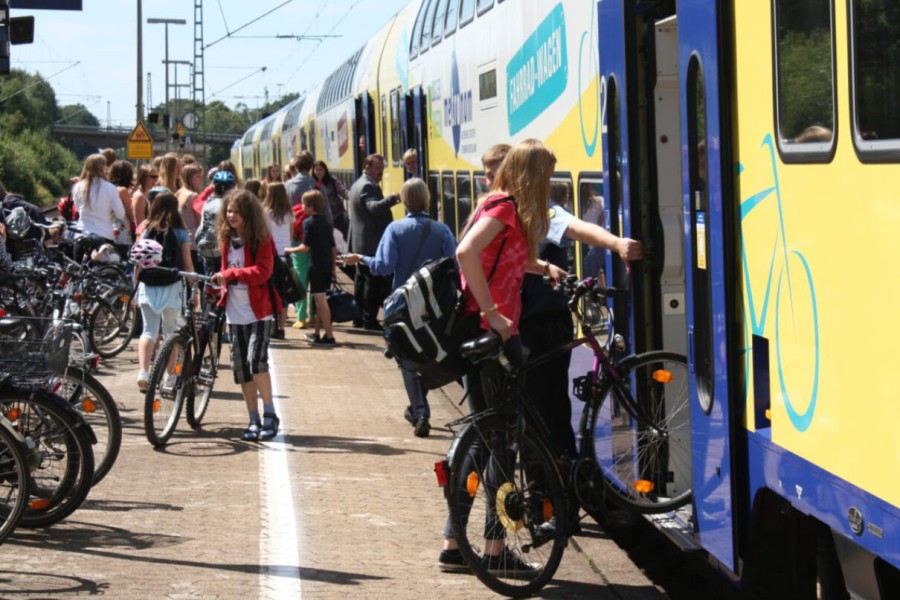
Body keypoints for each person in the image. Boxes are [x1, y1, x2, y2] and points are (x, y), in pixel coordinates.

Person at [438, 139, 567, 573]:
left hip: (491, 333)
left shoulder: (494, 203)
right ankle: (493, 554)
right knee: (501, 444)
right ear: (532, 174)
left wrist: (541, 267)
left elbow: (500, 259)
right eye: (546, 176)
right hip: (490, 335)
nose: (548, 185)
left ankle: (455, 545)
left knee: (484, 441)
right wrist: (492, 312)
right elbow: (466, 253)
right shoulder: (505, 207)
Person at [344, 178, 456, 437]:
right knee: (430, 353)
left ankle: (420, 412)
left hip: (404, 304)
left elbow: (383, 266)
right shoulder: (442, 230)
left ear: (404, 201)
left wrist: (360, 258)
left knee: (407, 357)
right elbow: (454, 266)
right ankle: (417, 407)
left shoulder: (395, 229)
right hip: (435, 303)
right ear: (427, 200)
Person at [209, 189, 281, 442]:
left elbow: (263, 272)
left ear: (248, 214)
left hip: (258, 311)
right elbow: (224, 271)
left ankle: (270, 413)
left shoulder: (262, 239)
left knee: (256, 361)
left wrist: (231, 275)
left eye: (237, 212)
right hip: (234, 313)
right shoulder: (227, 239)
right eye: (229, 211)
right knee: (241, 369)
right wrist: (219, 282)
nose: (231, 216)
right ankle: (253, 417)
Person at [131, 190, 194, 391]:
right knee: (170, 333)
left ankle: (143, 372)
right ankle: (170, 377)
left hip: (148, 286)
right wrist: (194, 287)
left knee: (148, 331)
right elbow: (187, 265)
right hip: (172, 286)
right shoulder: (181, 232)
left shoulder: (145, 229)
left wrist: (135, 287)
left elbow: (138, 262)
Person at [347, 153, 400, 330]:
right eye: (378, 169)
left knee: (361, 282)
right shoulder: (367, 186)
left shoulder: (358, 184)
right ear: (367, 167)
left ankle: (358, 317)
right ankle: (369, 319)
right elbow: (374, 208)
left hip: (361, 242)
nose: (380, 172)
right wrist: (394, 198)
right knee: (372, 283)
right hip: (370, 242)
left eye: (382, 169)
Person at [285, 190, 336, 347]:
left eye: (304, 204)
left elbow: (305, 247)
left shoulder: (309, 223)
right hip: (326, 265)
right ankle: (316, 333)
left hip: (316, 266)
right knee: (319, 300)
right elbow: (333, 247)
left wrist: (289, 250)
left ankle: (329, 336)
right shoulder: (327, 221)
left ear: (311, 206)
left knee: (320, 300)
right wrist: (333, 267)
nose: (302, 206)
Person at [72, 153, 127, 244]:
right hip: (104, 235)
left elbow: (78, 209)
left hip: (81, 234)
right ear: (103, 168)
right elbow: (120, 214)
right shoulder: (110, 188)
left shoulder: (78, 186)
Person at [263, 182, 293, 339]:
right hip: (286, 256)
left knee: (269, 291)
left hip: (271, 256)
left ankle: (270, 325)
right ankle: (281, 328)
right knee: (284, 294)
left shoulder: (265, 212)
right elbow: (291, 233)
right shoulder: (289, 213)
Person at [196, 170, 237, 275]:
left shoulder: (208, 203)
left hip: (206, 246)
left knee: (209, 277)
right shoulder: (231, 205)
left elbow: (202, 226)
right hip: (224, 247)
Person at [176, 163, 205, 272]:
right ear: (189, 177)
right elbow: (201, 222)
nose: (201, 179)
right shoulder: (193, 196)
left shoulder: (178, 193)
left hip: (181, 240)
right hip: (193, 243)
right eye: (198, 176)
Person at [312, 160, 349, 240]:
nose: (319, 172)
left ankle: (351, 249)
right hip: (322, 215)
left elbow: (343, 191)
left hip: (337, 213)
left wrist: (351, 195)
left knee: (348, 230)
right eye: (316, 170)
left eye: (321, 170)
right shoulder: (312, 183)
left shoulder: (332, 180)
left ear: (325, 170)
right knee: (326, 238)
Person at [107, 160, 137, 251]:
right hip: (122, 230)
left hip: (109, 227)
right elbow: (132, 214)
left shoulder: (108, 188)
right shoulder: (122, 191)